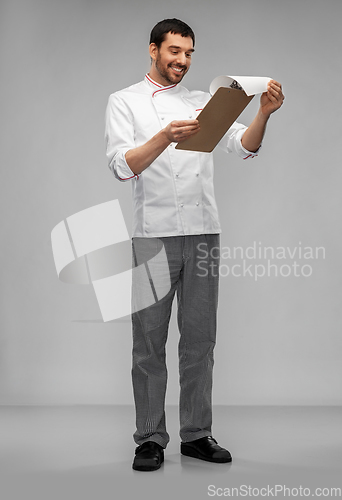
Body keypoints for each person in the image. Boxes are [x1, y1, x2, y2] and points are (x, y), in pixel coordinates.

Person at [105, 18, 284, 472]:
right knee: (148, 343)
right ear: (153, 50)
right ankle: (149, 438)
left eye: (188, 54)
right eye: (174, 52)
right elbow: (122, 166)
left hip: (204, 233)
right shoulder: (124, 101)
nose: (182, 61)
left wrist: (262, 113)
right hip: (153, 237)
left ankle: (197, 434)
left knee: (200, 341)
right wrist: (165, 137)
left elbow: (243, 147)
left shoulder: (204, 102)